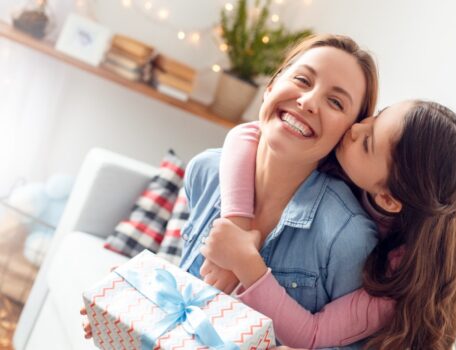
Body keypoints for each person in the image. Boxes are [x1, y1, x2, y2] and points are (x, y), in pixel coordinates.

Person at [81, 34, 380, 348]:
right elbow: (189, 296)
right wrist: (133, 300)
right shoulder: (206, 172)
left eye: (335, 102)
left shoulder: (348, 236)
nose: (307, 102)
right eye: (303, 80)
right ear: (271, 85)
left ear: (348, 134)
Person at [201, 100, 456, 350]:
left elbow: (311, 335)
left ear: (388, 198)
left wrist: (245, 262)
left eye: (368, 143)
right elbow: (248, 132)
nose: (357, 129)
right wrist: (237, 223)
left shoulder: (400, 276)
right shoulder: (351, 162)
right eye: (378, 116)